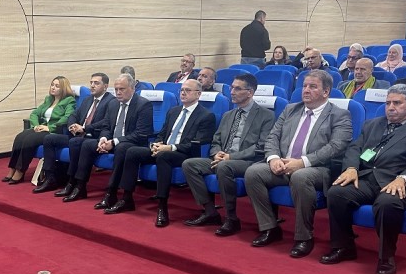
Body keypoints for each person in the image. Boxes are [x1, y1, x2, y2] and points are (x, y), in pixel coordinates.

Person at [321, 85, 406, 274]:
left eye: (397, 103)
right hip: (369, 178)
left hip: (400, 182)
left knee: (387, 202)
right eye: (388, 103)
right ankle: (344, 246)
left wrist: (404, 178)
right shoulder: (372, 124)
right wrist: (351, 168)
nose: (390, 107)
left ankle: (386, 257)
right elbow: (355, 148)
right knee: (337, 193)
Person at [243, 70, 352, 258]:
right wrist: (273, 158)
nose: (306, 90)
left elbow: (336, 147)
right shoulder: (290, 109)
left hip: (317, 169)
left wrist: (302, 162)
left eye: (313, 86)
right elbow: (272, 137)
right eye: (304, 86)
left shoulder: (339, 114)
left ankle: (304, 237)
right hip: (284, 164)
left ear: (326, 92)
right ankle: (270, 228)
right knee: (253, 172)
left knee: (301, 177)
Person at [102, 79, 214, 227]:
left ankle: (162, 206)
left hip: (184, 154)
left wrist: (170, 147)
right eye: (181, 90)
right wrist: (157, 144)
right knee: (132, 151)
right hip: (164, 149)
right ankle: (127, 198)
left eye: (187, 90)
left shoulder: (206, 116)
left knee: (163, 156)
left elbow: (194, 144)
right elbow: (162, 134)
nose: (183, 93)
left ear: (198, 94)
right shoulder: (173, 111)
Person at [182, 73, 275, 236]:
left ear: (250, 92)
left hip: (248, 161)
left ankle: (231, 219)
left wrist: (230, 157)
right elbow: (216, 139)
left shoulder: (265, 115)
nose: (232, 92)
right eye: (232, 88)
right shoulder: (228, 115)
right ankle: (210, 211)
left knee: (224, 167)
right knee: (189, 164)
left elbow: (261, 147)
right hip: (223, 159)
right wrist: (216, 153)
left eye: (237, 89)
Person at [62, 74, 153, 203]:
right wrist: (103, 139)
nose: (118, 92)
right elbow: (106, 126)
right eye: (116, 89)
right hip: (112, 141)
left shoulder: (143, 105)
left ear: (132, 89)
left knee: (121, 148)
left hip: (131, 143)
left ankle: (111, 192)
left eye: (122, 89)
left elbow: (141, 134)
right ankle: (80, 187)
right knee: (87, 144)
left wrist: (114, 142)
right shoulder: (113, 104)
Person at [34, 73, 113, 194]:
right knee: (49, 139)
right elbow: (73, 115)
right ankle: (50, 178)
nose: (92, 85)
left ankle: (72, 182)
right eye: (91, 82)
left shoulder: (111, 101)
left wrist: (85, 128)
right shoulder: (88, 99)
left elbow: (106, 122)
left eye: (96, 83)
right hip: (78, 135)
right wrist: (72, 125)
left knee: (75, 142)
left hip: (94, 137)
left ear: (105, 86)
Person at [4, 76, 76, 184]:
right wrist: (36, 125)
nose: (53, 87)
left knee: (30, 140)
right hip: (42, 127)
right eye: (52, 85)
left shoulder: (69, 101)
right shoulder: (49, 99)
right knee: (20, 137)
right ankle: (12, 168)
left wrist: (50, 127)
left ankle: (20, 171)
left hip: (54, 131)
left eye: (57, 86)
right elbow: (35, 113)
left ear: (64, 88)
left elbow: (67, 117)